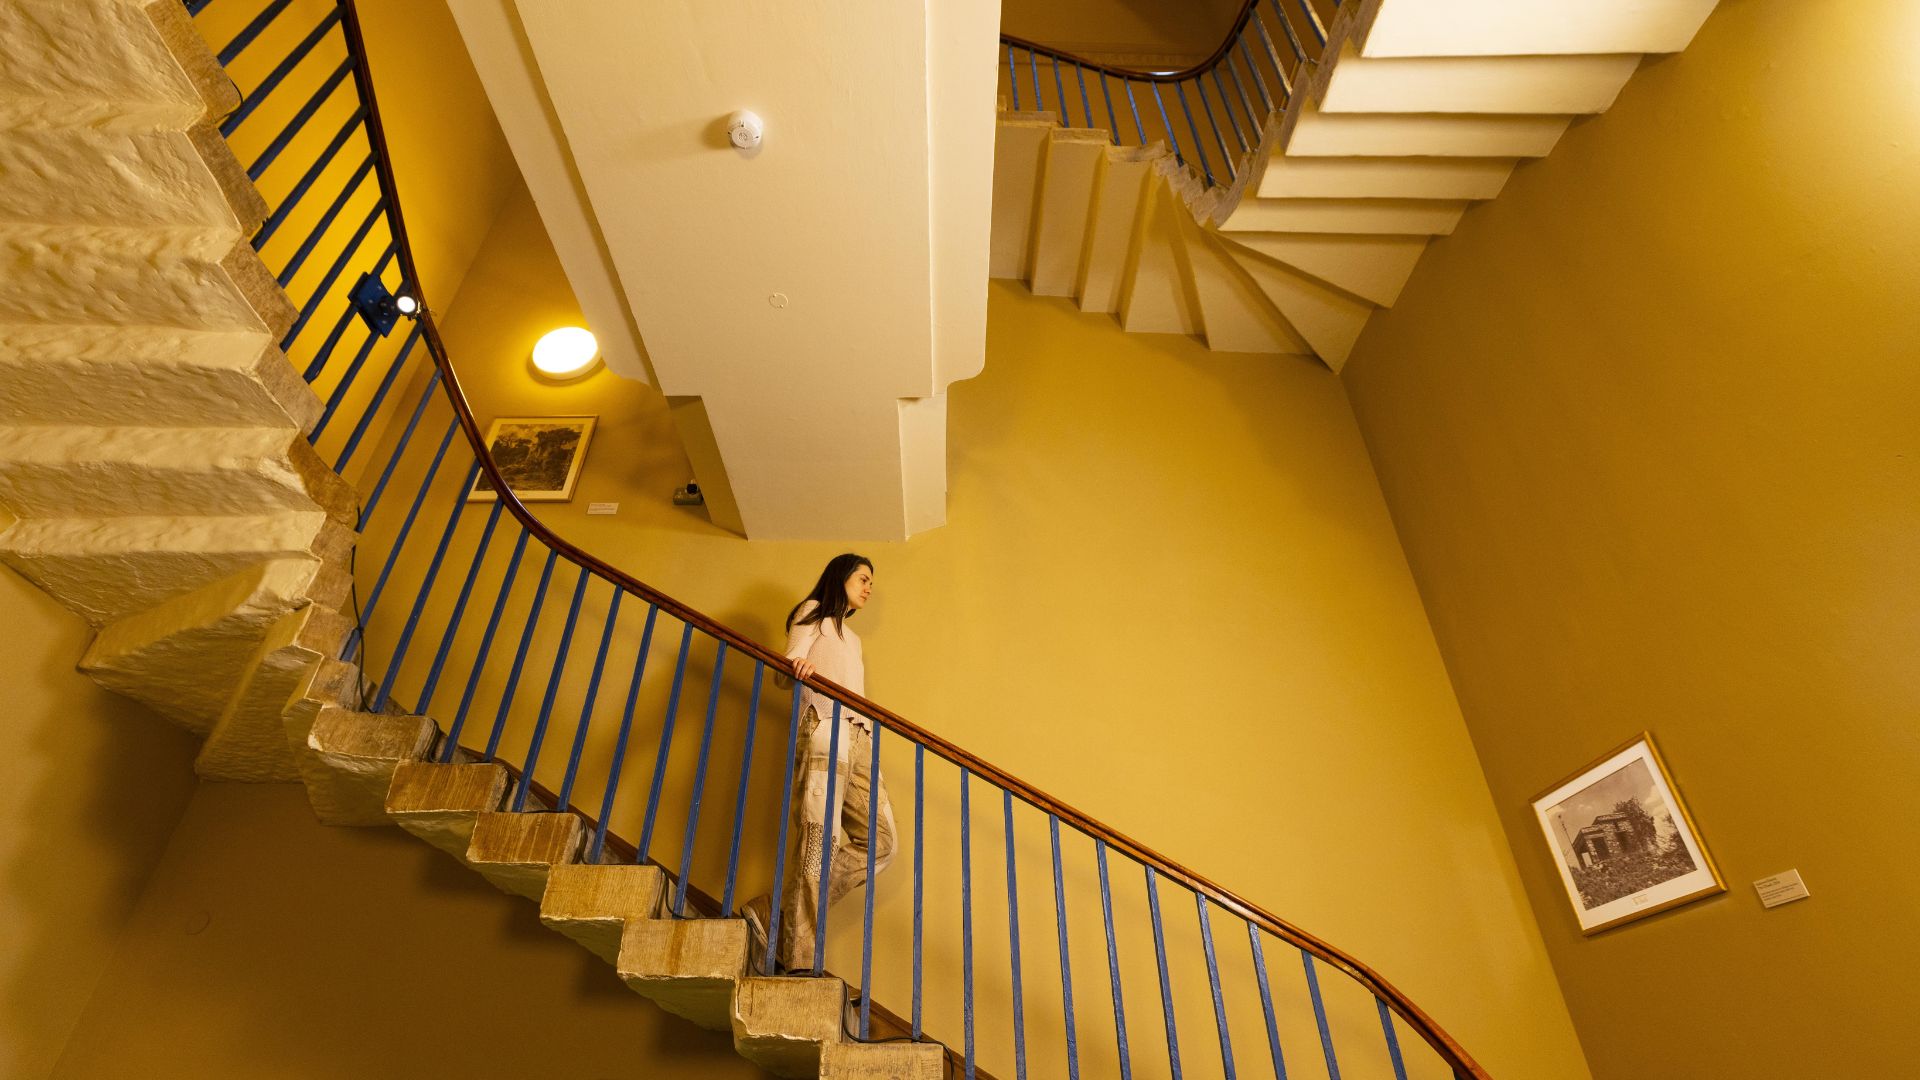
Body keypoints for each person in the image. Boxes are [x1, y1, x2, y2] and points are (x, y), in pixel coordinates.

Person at [741, 554, 896, 972]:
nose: (868, 588)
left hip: (860, 738)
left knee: (883, 843)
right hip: (825, 727)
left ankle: (773, 910)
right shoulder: (813, 613)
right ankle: (799, 961)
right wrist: (797, 668)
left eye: (871, 582)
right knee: (818, 845)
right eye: (863, 578)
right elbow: (782, 670)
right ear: (840, 576)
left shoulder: (855, 639)